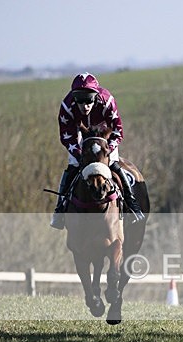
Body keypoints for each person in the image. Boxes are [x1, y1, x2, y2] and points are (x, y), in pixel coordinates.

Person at [50, 72, 142, 230]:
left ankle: (131, 203)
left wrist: (106, 150)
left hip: (103, 137)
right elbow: (66, 136)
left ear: (96, 96)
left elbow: (118, 131)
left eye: (89, 100)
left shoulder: (107, 102)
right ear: (74, 97)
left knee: (113, 165)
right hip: (80, 137)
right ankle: (60, 209)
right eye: (79, 100)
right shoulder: (67, 107)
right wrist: (80, 154)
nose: (84, 106)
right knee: (72, 167)